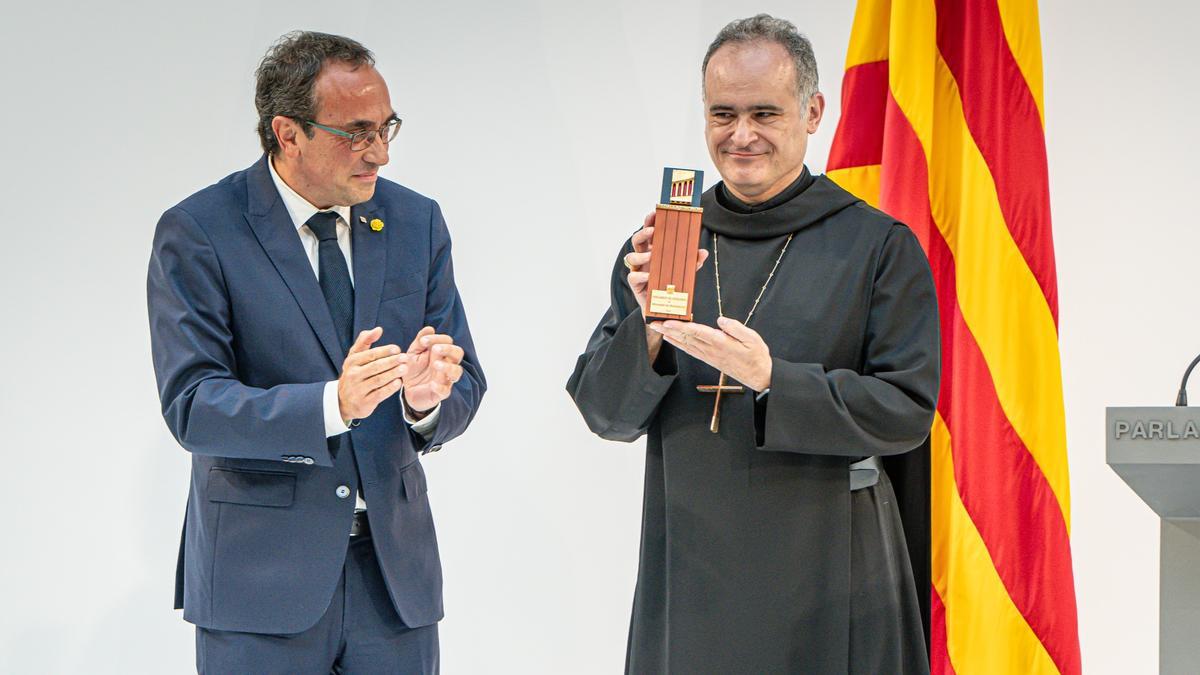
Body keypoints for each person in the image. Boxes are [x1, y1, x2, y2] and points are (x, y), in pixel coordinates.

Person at [567, 14, 939, 674]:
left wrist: (774, 380)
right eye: (723, 114)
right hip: (693, 572)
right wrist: (648, 329)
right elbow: (606, 414)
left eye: (765, 112)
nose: (741, 136)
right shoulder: (665, 244)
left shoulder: (879, 246)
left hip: (831, 573)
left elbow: (906, 409)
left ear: (813, 111)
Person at [147, 31, 485, 673]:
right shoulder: (200, 231)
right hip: (260, 585)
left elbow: (465, 380)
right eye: (356, 132)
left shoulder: (417, 222)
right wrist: (333, 403)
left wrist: (425, 403)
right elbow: (193, 406)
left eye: (387, 127)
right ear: (287, 132)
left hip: (394, 585)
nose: (379, 152)